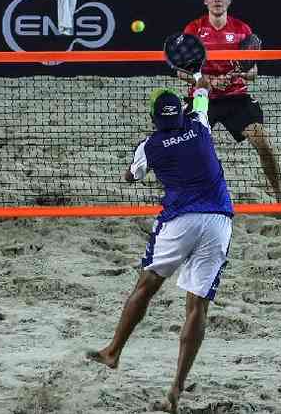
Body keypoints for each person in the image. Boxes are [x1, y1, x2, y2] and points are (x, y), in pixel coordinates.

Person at [86, 76, 234, 414]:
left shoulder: (149, 145)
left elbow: (130, 176)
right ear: (181, 111)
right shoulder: (199, 127)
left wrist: (138, 168)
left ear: (155, 120)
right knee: (197, 308)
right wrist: (199, 83)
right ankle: (176, 389)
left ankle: (113, 353)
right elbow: (201, 98)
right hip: (219, 222)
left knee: (146, 286)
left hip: (180, 221)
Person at [180, 0, 281, 201]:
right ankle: (182, 195)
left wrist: (240, 74)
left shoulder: (242, 30)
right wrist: (204, 80)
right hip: (202, 98)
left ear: (229, 0)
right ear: (205, 0)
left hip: (236, 98)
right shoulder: (193, 29)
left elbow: (253, 70)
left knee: (263, 143)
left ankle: (280, 196)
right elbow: (181, 71)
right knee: (184, 147)